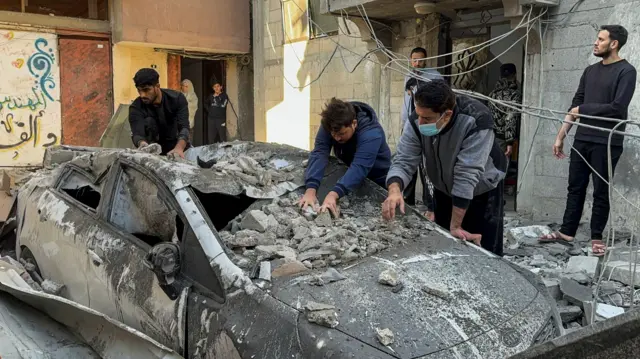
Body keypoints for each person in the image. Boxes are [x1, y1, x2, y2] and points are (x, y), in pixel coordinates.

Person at [540, 25, 637, 256]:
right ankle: (567, 231)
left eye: (601, 39)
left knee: (601, 191)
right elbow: (574, 104)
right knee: (575, 187)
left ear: (614, 44)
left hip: (607, 142)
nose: (595, 42)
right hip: (582, 139)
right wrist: (560, 136)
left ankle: (596, 237)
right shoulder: (589, 71)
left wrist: (581, 110)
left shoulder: (626, 71)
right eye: (596, 38)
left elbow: (617, 108)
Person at [382, 80, 507, 256]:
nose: (420, 122)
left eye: (427, 119)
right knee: (446, 246)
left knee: (483, 248)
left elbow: (467, 173)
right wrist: (395, 190)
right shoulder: (417, 119)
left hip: (482, 188)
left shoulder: (476, 119)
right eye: (418, 115)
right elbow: (404, 160)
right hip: (444, 186)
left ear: (446, 115)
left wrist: (456, 225)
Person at [299, 98, 391, 217]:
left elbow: (359, 167)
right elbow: (320, 153)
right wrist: (310, 189)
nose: (337, 138)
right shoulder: (330, 124)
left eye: (342, 134)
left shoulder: (371, 134)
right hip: (348, 174)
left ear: (354, 123)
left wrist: (333, 194)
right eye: (333, 134)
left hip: (378, 180)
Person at [401, 47, 443, 221]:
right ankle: (407, 200)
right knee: (410, 164)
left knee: (428, 166)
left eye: (420, 60)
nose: (417, 63)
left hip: (429, 127)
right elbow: (406, 104)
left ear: (426, 59)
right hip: (412, 127)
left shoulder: (435, 77)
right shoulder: (408, 77)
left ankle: (430, 204)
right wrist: (404, 125)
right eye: (414, 60)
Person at [129, 68, 190, 158]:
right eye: (139, 90)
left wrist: (179, 148)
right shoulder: (136, 107)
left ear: (157, 86)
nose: (142, 95)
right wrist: (143, 145)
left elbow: (184, 127)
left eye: (146, 90)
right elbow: (137, 134)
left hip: (177, 150)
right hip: (153, 154)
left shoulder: (177, 99)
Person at [488, 63, 522, 161]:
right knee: (501, 169)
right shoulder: (514, 95)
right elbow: (510, 119)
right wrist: (509, 143)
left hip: (490, 137)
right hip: (503, 140)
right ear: (515, 75)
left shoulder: (492, 94)